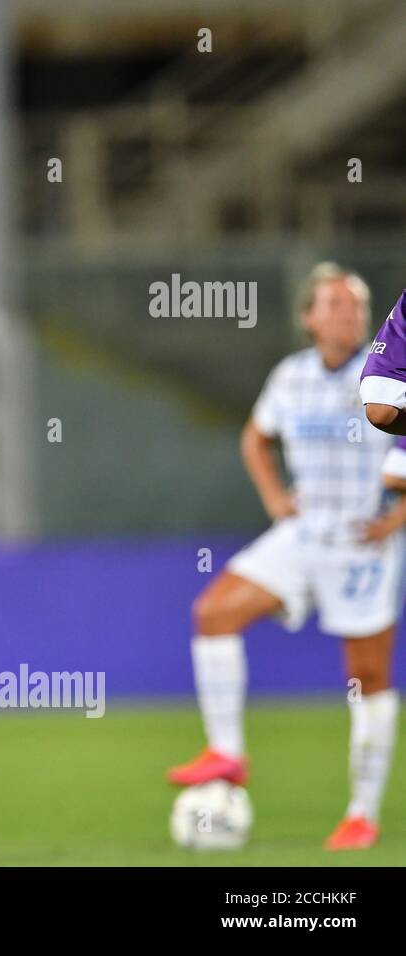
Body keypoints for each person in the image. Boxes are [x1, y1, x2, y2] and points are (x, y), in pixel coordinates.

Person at [169, 263, 403, 850]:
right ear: (308, 317)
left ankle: (361, 813)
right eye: (334, 303)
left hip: (361, 544)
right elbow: (255, 436)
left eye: (357, 304)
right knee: (214, 613)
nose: (349, 313)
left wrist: (397, 519)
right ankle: (227, 752)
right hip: (302, 534)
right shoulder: (291, 375)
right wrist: (276, 500)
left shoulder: (388, 379)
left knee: (367, 678)